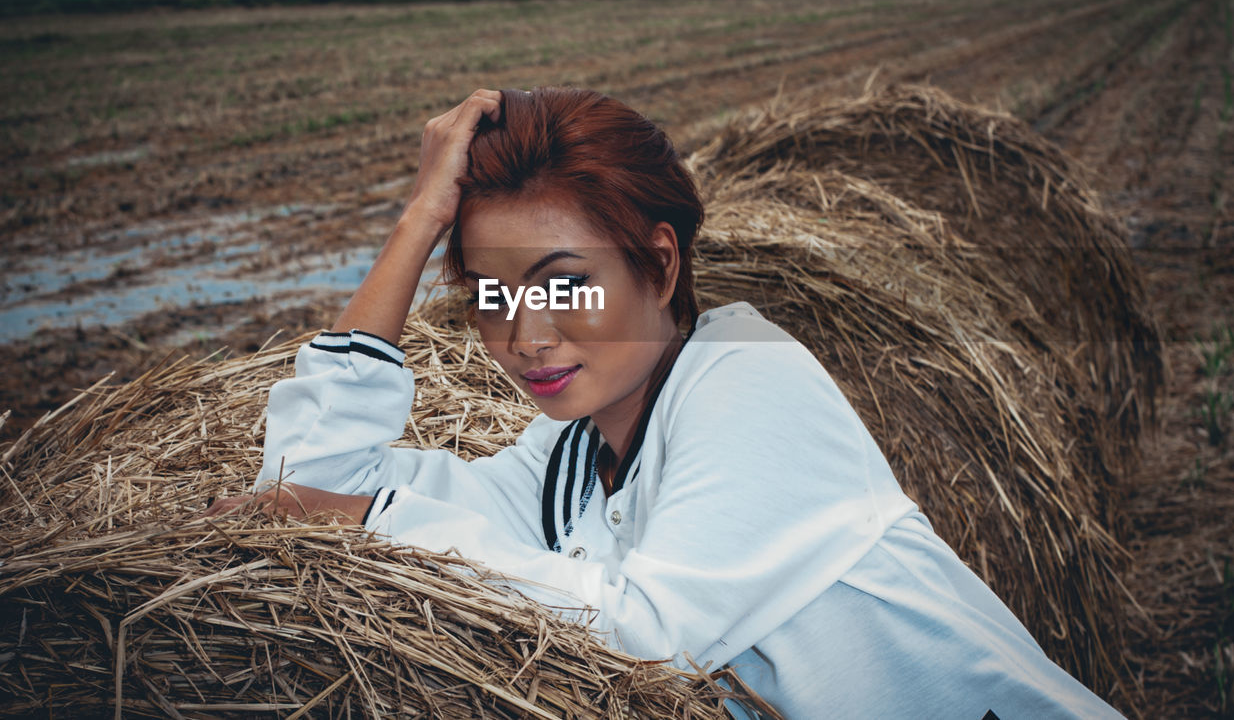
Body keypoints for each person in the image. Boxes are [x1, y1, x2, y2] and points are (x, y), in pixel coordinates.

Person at [208, 87, 1124, 719]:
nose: (526, 335)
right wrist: (418, 220)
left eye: (564, 283)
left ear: (661, 260)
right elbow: (305, 485)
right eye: (491, 293)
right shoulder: (563, 464)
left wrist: (370, 519)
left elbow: (642, 634)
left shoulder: (749, 372)